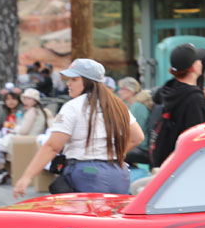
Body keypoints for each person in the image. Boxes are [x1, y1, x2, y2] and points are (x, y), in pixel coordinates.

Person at [13, 58, 142, 197]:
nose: (68, 83)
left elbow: (52, 146)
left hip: (87, 173)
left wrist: (26, 177)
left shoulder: (73, 106)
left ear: (87, 81)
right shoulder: (118, 105)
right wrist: (111, 154)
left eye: (74, 79)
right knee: (112, 217)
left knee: (82, 217)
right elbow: (137, 137)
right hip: (118, 172)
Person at [150, 44, 205, 168]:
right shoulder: (194, 98)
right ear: (193, 67)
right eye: (198, 60)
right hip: (185, 165)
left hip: (167, 160)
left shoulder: (170, 89)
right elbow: (197, 138)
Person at [0, 88, 52, 185]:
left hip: (24, 142)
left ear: (34, 100)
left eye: (28, 99)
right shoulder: (41, 111)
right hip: (33, 141)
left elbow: (23, 131)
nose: (25, 101)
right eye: (24, 99)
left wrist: (15, 128)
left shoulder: (31, 112)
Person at [117, 76, 153, 166]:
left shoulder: (137, 106)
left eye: (122, 89)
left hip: (142, 148)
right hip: (139, 145)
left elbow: (134, 133)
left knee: (113, 155)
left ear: (130, 91)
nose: (119, 92)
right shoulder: (131, 105)